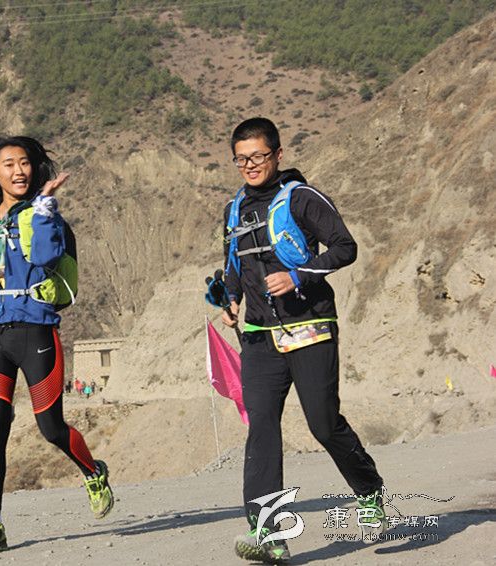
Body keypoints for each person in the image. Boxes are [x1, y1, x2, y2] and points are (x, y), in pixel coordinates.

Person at [0, 136, 114, 552]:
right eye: (9, 164)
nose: (20, 171)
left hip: (36, 332)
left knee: (50, 428)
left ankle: (93, 472)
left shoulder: (43, 215)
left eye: (25, 162)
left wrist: (45, 207)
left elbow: (46, 258)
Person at [220, 118, 385, 563]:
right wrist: (231, 299)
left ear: (277, 155)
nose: (250, 165)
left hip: (310, 327)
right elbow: (233, 264)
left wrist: (297, 276)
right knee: (262, 429)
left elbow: (345, 247)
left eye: (258, 156)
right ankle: (268, 533)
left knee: (323, 424)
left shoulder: (302, 198)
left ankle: (368, 489)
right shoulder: (234, 209)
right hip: (259, 338)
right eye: (241, 159)